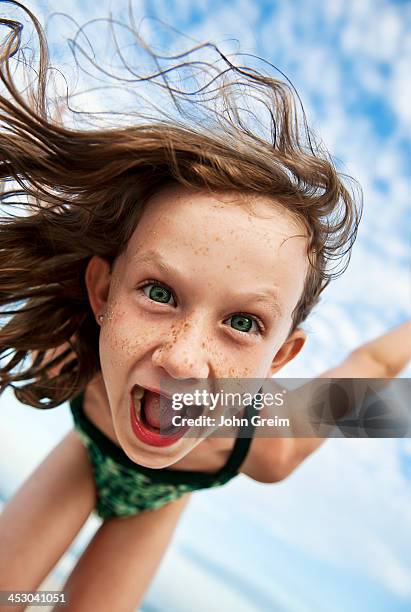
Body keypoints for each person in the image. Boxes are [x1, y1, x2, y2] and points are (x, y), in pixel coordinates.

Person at [0, 2, 409, 610]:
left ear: (282, 357)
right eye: (160, 293)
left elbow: (374, 364)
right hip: (86, 458)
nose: (184, 360)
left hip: (163, 499)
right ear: (104, 293)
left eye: (244, 323)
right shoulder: (73, 353)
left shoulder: (271, 444)